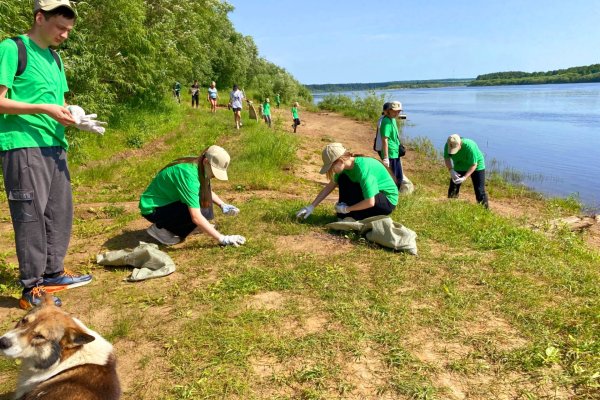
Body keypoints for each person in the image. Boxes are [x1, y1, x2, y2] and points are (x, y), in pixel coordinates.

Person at [0, 0, 97, 309]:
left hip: (55, 145)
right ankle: (32, 288)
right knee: (30, 217)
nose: (65, 35)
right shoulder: (13, 49)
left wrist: (75, 117)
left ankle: (53, 273)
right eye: (60, 28)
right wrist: (43, 108)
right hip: (23, 144)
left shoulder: (55, 59)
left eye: (68, 30)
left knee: (59, 213)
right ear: (40, 18)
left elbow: (58, 103)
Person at [139, 145, 246, 247]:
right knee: (201, 208)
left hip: (169, 202)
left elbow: (205, 191)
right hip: (153, 210)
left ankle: (187, 228)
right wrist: (222, 239)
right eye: (214, 172)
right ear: (206, 162)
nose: (214, 176)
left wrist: (222, 204)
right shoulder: (188, 175)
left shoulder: (198, 164)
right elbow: (196, 217)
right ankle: (160, 230)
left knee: (204, 201)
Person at [296, 143, 398, 221]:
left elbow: (370, 202)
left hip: (386, 201)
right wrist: (311, 206)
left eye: (331, 167)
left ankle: (352, 214)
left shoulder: (362, 169)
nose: (331, 170)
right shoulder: (344, 169)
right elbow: (329, 187)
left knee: (351, 213)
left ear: (340, 160)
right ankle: (348, 215)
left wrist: (347, 209)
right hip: (373, 198)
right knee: (343, 179)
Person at [444, 134, 489, 208]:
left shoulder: (470, 146)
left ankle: (484, 212)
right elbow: (447, 158)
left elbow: (474, 165)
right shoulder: (448, 145)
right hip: (460, 165)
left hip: (477, 166)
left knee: (479, 190)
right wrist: (451, 170)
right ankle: (451, 208)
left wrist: (464, 177)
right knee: (453, 187)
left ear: (460, 144)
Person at [379, 101, 403, 185]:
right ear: (389, 110)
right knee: (393, 179)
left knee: (399, 178)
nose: (397, 113)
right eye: (395, 111)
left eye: (399, 111)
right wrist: (386, 157)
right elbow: (384, 140)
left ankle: (394, 195)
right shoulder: (386, 121)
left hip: (395, 152)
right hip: (390, 154)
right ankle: (390, 196)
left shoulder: (393, 120)